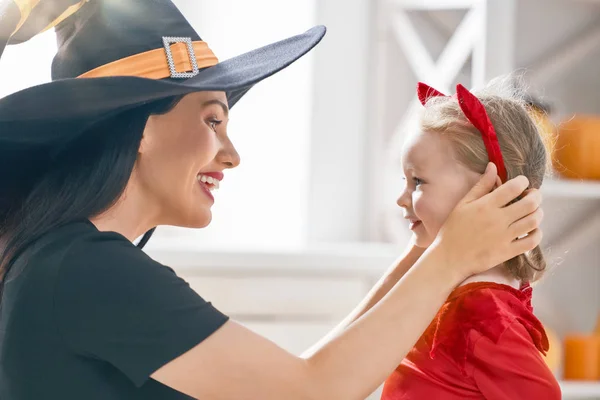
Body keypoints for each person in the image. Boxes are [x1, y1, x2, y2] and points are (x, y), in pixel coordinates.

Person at [0, 1, 544, 399]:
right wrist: (449, 257)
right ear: (139, 126)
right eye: (213, 120)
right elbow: (310, 391)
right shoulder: (93, 272)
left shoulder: (68, 263)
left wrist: (426, 255)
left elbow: (305, 374)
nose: (231, 154)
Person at [380, 78, 560, 400]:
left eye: (418, 181)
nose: (401, 198)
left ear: (489, 192)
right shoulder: (451, 292)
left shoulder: (481, 313)